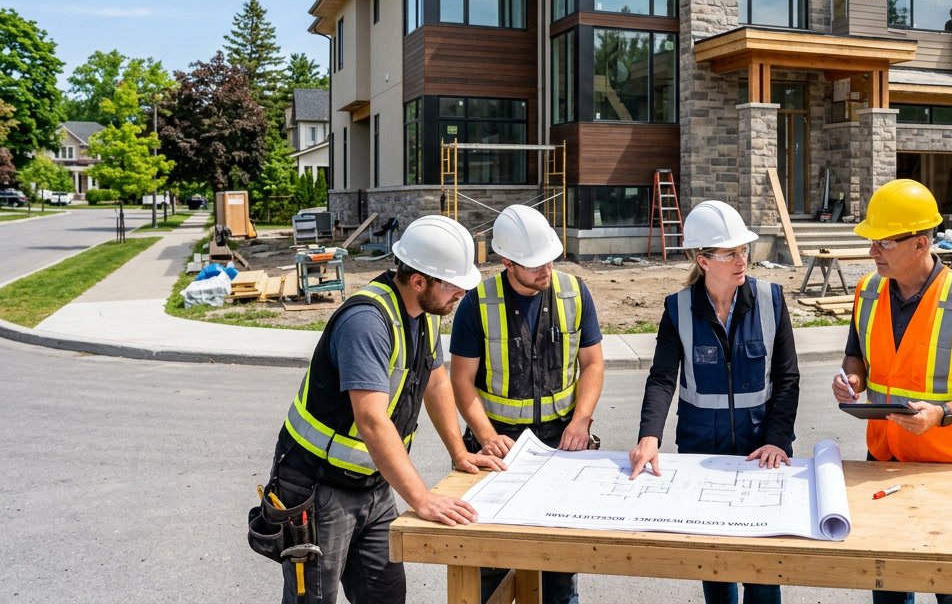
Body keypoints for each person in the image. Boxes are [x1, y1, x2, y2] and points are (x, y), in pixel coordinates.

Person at [266, 215, 505, 604]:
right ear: (418, 281)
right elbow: (373, 420)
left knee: (386, 597)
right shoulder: (367, 322)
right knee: (312, 599)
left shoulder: (424, 316)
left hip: (372, 484)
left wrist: (460, 453)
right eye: (454, 285)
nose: (460, 294)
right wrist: (422, 499)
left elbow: (436, 380)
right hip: (318, 487)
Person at [833, 179, 952, 604]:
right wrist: (851, 380)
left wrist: (942, 414)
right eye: (871, 242)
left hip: (947, 469)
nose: (871, 251)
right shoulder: (868, 291)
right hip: (883, 461)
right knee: (888, 585)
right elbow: (855, 355)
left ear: (919, 244)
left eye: (883, 243)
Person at [630, 200, 800, 604]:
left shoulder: (771, 300)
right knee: (717, 564)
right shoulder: (678, 309)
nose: (742, 260)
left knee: (762, 567)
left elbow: (787, 378)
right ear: (702, 260)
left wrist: (778, 439)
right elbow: (662, 378)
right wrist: (649, 436)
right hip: (700, 451)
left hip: (762, 451)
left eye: (744, 250)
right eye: (730, 253)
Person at [450, 204, 604, 604]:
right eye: (534, 264)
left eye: (549, 260)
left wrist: (581, 421)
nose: (545, 270)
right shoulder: (477, 302)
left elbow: (592, 363)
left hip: (561, 441)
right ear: (506, 261)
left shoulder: (574, 292)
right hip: (498, 447)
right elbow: (461, 381)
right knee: (490, 564)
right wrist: (485, 436)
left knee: (559, 565)